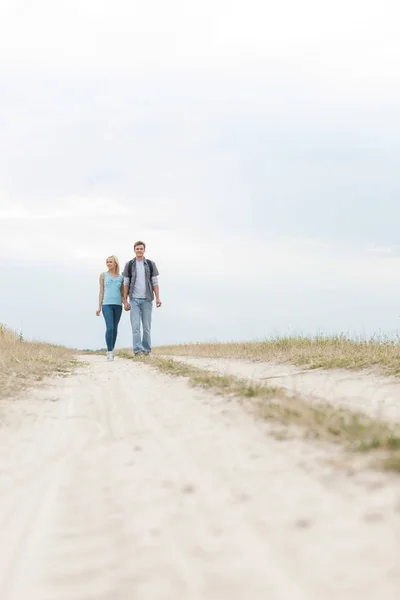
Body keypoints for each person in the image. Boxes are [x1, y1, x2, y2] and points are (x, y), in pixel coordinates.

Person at [122, 241, 162, 355]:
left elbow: (155, 282)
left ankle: (147, 350)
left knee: (146, 327)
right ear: (134, 250)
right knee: (135, 327)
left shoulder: (150, 264)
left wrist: (158, 298)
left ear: (144, 250)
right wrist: (125, 300)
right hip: (134, 300)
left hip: (147, 300)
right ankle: (137, 350)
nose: (139, 250)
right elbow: (126, 283)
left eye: (141, 248)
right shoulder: (129, 264)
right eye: (137, 248)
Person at [96, 255, 123, 361]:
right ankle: (109, 351)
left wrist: (125, 302)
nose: (108, 263)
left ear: (115, 263)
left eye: (110, 262)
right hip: (106, 304)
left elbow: (122, 293)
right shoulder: (103, 275)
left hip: (118, 305)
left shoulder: (121, 278)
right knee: (110, 327)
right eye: (107, 262)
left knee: (115, 329)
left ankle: (112, 349)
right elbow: (101, 291)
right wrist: (99, 307)